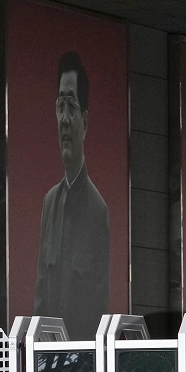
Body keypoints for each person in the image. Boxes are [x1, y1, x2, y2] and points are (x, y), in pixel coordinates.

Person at [34, 51, 109, 338]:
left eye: (72, 106)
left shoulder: (97, 210)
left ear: (85, 122)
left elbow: (99, 313)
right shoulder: (49, 203)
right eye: (60, 106)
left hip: (81, 360)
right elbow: (40, 301)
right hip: (47, 359)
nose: (64, 119)